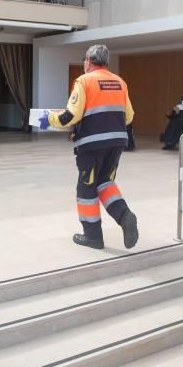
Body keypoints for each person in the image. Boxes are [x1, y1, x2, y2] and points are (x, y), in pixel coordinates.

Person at [38, 45, 139, 250]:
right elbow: (129, 116)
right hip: (117, 142)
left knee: (86, 189)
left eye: (84, 60)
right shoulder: (120, 82)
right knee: (105, 182)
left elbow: (70, 116)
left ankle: (93, 236)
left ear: (89, 61)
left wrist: (48, 118)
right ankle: (125, 215)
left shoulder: (84, 81)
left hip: (91, 144)